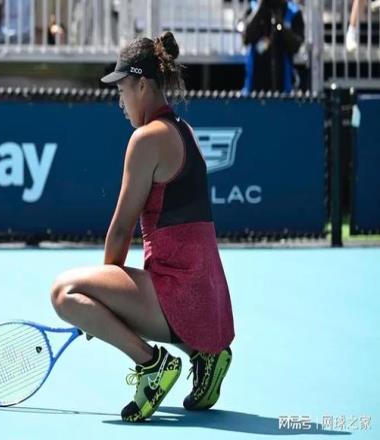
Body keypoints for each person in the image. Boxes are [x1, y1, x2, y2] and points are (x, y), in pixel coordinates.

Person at [50, 31, 235, 422]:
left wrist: (98, 304)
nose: (121, 102)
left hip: (180, 299)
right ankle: (205, 355)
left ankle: (152, 366)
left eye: (122, 90)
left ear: (142, 85)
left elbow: (121, 231)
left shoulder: (146, 139)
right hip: (212, 306)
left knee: (64, 293)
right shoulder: (185, 132)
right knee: (93, 290)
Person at [240, 0, 304, 94]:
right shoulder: (253, 9)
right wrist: (260, 9)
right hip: (254, 88)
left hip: (282, 87)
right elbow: (246, 38)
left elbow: (296, 45)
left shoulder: (293, 12)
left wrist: (280, 26)